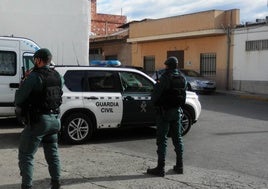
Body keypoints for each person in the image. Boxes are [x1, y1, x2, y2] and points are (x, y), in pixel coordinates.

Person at [15, 48, 63, 189]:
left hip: (39, 121)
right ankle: (56, 183)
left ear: (38, 60)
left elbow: (19, 98)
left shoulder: (35, 76)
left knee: (26, 155)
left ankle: (27, 186)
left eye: (35, 60)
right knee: (52, 154)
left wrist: (24, 82)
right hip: (55, 119)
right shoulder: (57, 75)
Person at [147, 56, 187, 177]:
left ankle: (160, 168)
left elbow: (155, 96)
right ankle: (180, 166)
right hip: (177, 112)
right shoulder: (182, 78)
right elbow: (183, 95)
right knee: (177, 138)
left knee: (162, 139)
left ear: (168, 66)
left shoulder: (165, 78)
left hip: (164, 113)